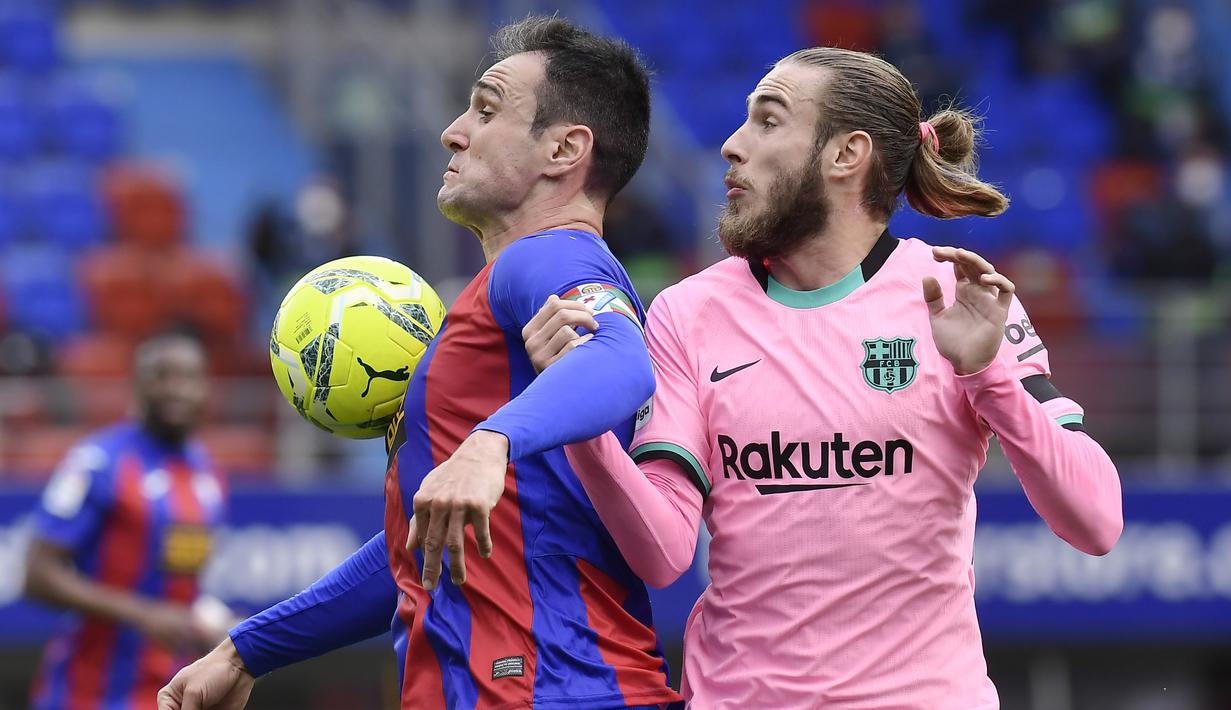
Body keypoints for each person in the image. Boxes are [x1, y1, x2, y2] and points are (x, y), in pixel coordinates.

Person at [521, 47, 1124, 708]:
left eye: (767, 121)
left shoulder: (957, 296)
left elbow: (1095, 523)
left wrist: (987, 377)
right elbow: (663, 554)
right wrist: (581, 426)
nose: (730, 145)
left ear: (846, 155)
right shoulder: (687, 314)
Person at [158, 17, 681, 710]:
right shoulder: (494, 301)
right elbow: (422, 547)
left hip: (556, 689)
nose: (452, 130)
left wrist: (488, 442)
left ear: (563, 148)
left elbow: (620, 360)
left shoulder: (551, 256)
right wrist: (248, 648)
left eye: (487, 110)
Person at [25, 331, 229, 710]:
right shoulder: (95, 462)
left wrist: (207, 618)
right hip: (84, 694)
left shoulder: (208, 474)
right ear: (138, 385)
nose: (177, 389)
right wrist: (142, 615)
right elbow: (36, 575)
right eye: (162, 376)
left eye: (189, 377)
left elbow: (179, 584)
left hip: (166, 692)